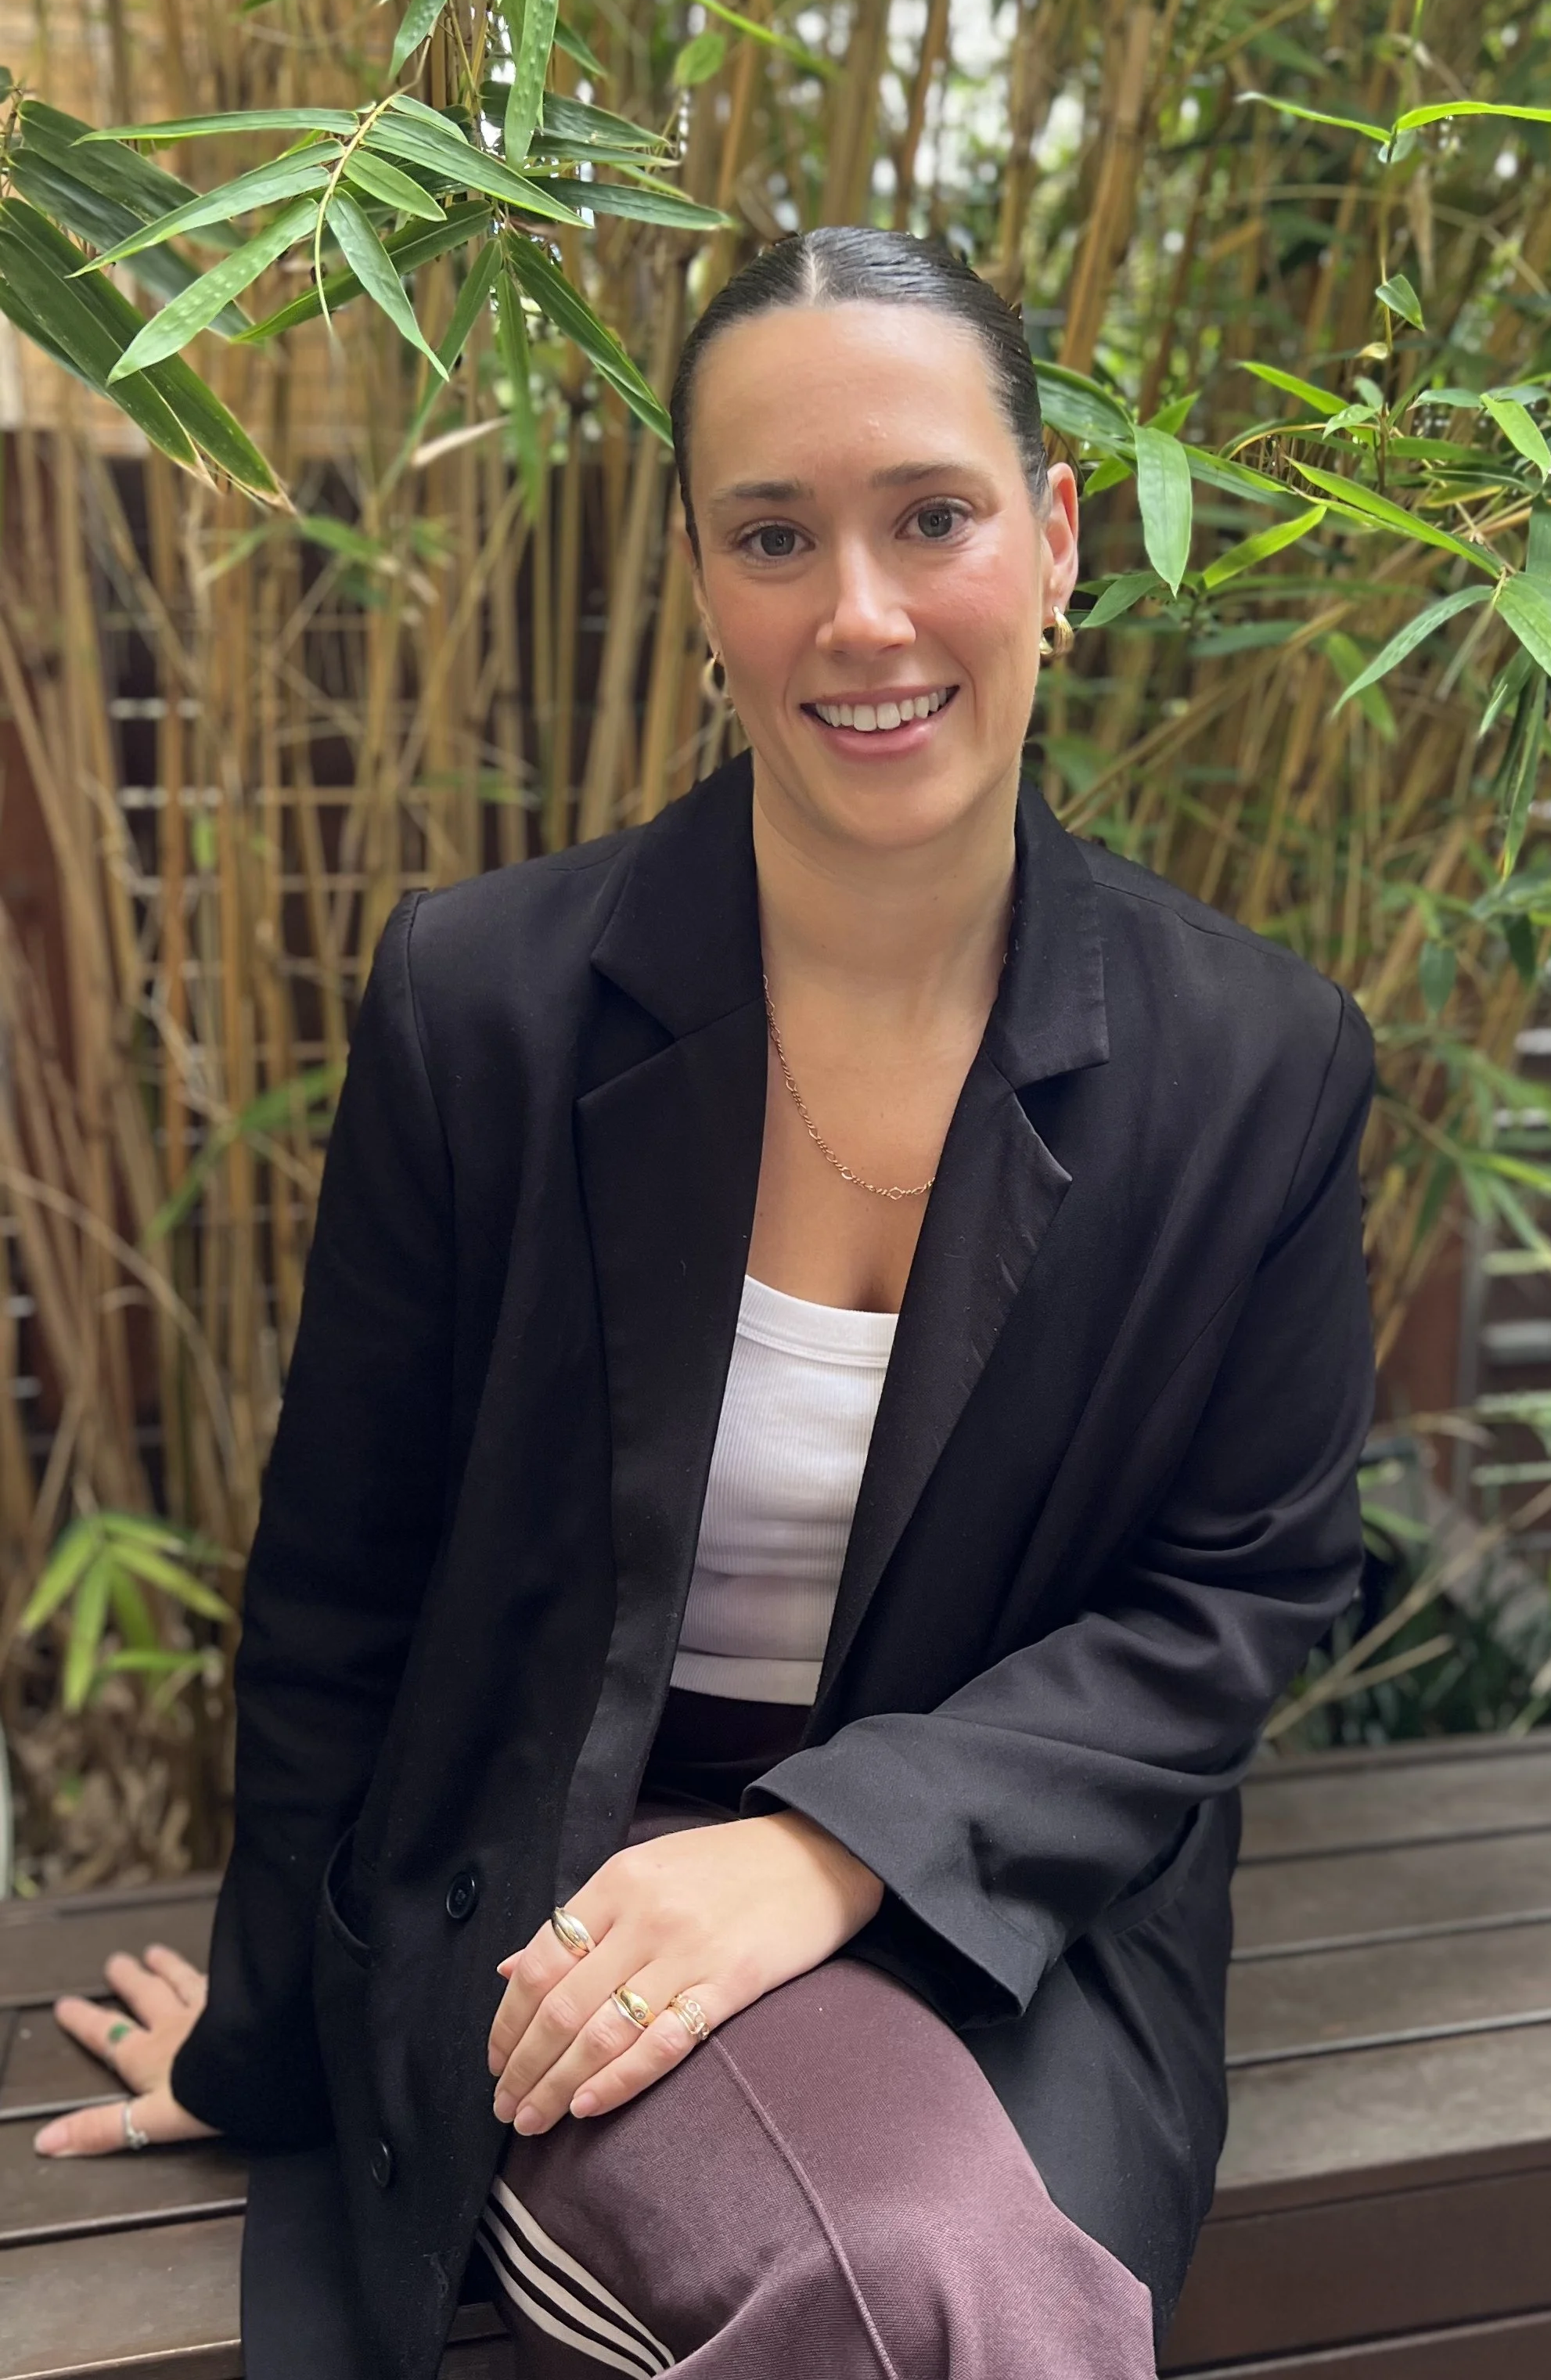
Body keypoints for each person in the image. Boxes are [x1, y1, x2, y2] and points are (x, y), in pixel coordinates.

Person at [37, 228, 1376, 2380]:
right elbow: (341, 1590)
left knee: (943, 2286)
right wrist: (280, 2031)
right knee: (932, 2307)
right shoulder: (483, 1004)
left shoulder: (1252, 1063)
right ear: (697, 583)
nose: (857, 613)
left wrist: (832, 1848)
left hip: (997, 1910)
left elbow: (1237, 1593)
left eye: (927, 517)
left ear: (1050, 541)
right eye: (774, 535)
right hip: (557, 1883)